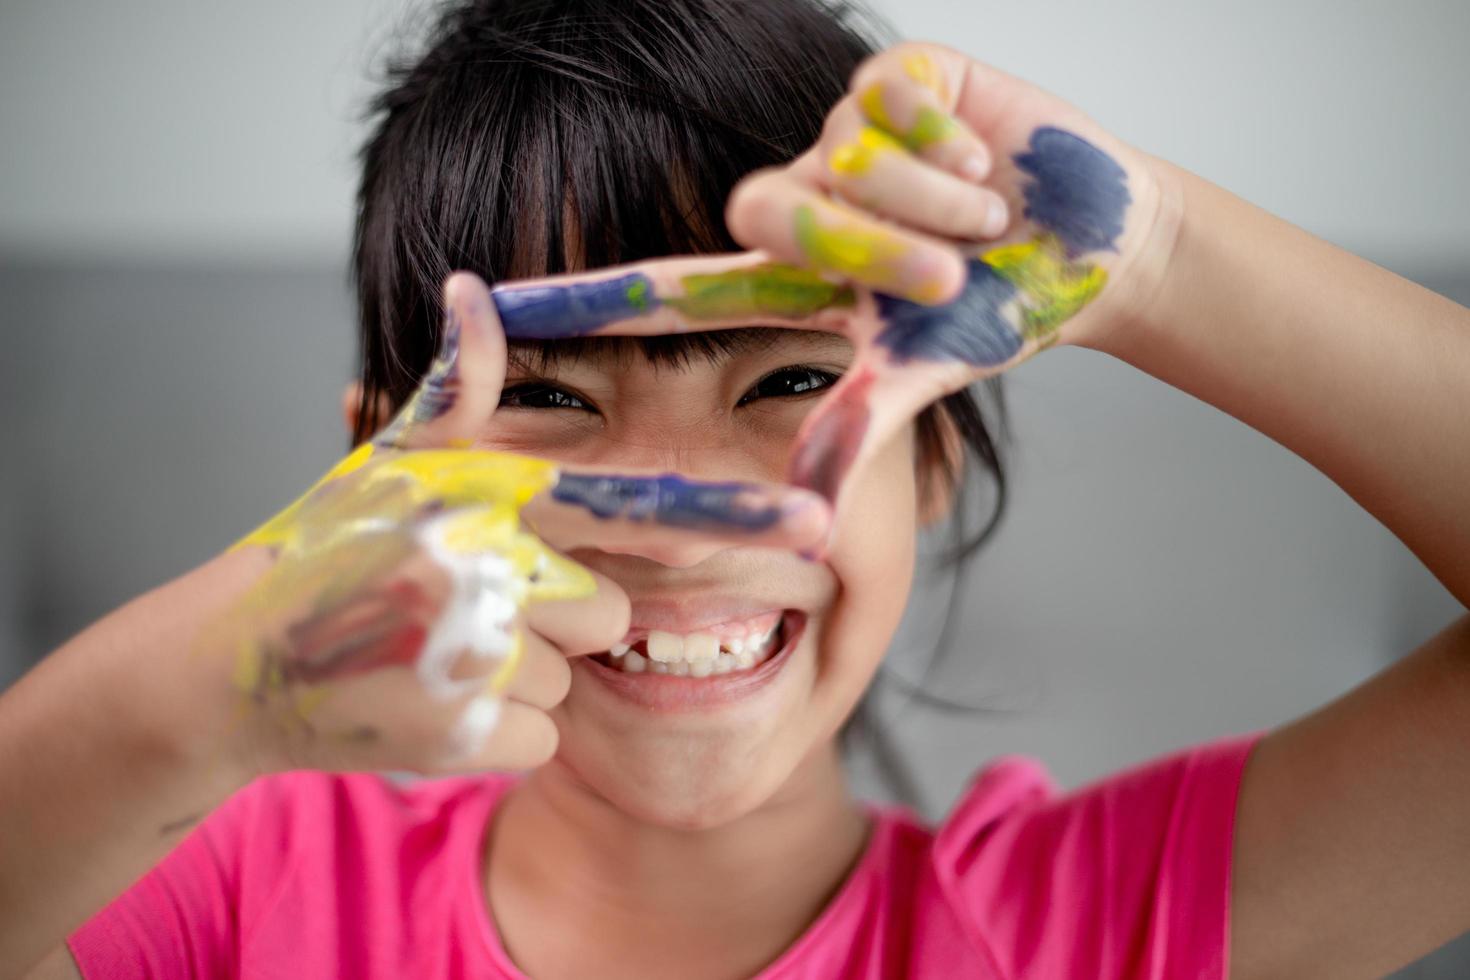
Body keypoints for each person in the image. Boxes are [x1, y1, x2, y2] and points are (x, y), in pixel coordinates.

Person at [4, 1, 1469, 977]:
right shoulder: (237, 896)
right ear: (364, 486)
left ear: (938, 457)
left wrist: (1159, 263)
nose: (675, 507)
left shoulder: (1082, 933)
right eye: (549, 398)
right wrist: (204, 687)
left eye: (787, 384)